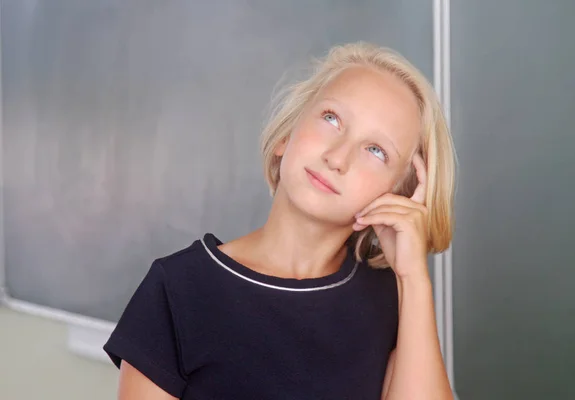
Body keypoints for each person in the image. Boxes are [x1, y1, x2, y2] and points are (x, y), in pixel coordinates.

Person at [104, 41, 456, 400]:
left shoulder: (394, 301)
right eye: (331, 119)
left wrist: (413, 279)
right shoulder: (177, 290)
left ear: (397, 194)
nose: (337, 158)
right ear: (286, 136)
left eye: (375, 150)